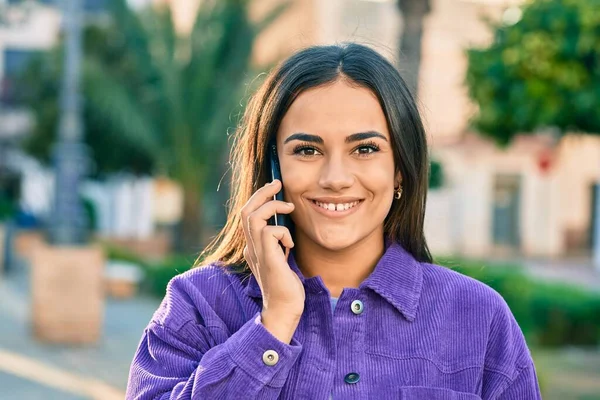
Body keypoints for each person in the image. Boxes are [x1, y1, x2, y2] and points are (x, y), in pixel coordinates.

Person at [125, 43, 542, 399]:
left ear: (400, 169)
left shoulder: (479, 318)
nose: (336, 179)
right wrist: (273, 326)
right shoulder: (197, 305)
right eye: (307, 150)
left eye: (365, 150)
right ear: (273, 167)